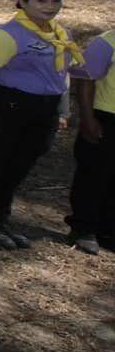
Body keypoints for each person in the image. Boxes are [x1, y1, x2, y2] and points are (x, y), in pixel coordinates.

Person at [0, 0, 78, 251]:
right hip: (11, 105)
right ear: (22, 2)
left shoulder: (60, 33)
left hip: (46, 107)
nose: (50, 6)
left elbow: (62, 72)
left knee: (21, 162)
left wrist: (63, 109)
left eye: (56, 0)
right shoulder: (8, 35)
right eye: (41, 1)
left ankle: (1, 217)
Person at [69, 28, 115, 255]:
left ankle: (108, 231)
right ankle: (83, 228)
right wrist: (87, 119)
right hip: (107, 118)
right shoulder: (107, 42)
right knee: (94, 175)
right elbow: (85, 80)